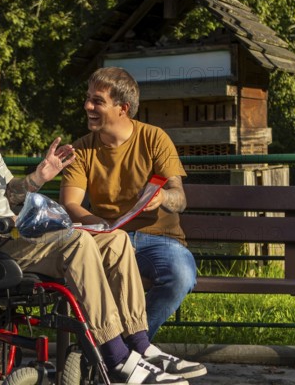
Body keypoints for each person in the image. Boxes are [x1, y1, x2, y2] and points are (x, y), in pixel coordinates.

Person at [0, 44, 205, 383]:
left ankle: (138, 345)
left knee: (117, 239)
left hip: (9, 234)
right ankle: (117, 359)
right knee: (77, 243)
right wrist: (7, 223)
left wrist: (38, 177)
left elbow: (9, 193)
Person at [60, 66, 198, 340]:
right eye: (88, 98)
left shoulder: (154, 138)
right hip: (107, 239)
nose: (88, 106)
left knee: (181, 275)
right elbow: (70, 205)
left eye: (97, 101)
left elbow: (179, 198)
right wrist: (103, 226)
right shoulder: (83, 148)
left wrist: (162, 197)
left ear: (122, 108)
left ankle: (126, 349)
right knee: (80, 276)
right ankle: (124, 354)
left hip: (157, 239)